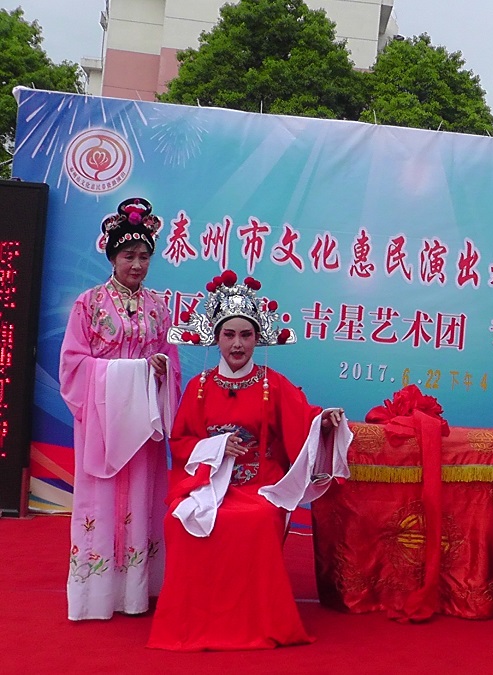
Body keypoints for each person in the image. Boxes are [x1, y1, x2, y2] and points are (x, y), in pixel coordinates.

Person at [147, 270, 351, 651]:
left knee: (256, 520)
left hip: (259, 485)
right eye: (229, 334)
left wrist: (323, 422)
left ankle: (255, 621)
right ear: (217, 338)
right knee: (178, 521)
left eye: (246, 335)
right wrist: (217, 447)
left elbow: (304, 420)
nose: (237, 344)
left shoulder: (274, 384)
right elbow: (180, 443)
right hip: (209, 485)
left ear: (258, 338)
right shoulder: (199, 387)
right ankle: (193, 621)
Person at [60, 197, 181, 621]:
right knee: (102, 498)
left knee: (143, 497)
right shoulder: (89, 303)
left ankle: (136, 592)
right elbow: (73, 364)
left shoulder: (158, 306)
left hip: (144, 420)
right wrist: (130, 371)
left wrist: (160, 369)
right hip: (103, 417)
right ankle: (96, 595)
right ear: (112, 257)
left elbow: (170, 360)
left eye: (144, 256)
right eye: (129, 255)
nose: (137, 264)